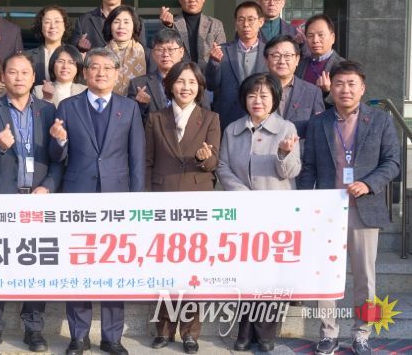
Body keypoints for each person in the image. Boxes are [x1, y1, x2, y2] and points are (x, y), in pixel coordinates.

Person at [299, 61, 399, 355]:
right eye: (339, 84)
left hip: (363, 209)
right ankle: (328, 333)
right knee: (325, 275)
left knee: (365, 278)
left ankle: (362, 333)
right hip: (327, 211)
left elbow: (392, 162)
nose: (345, 89)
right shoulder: (319, 122)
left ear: (362, 88)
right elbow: (309, 166)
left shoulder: (380, 120)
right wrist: (304, 203)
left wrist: (368, 183)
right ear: (331, 88)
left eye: (351, 84)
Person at [49, 47, 145, 355]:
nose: (101, 73)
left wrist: (136, 203)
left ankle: (111, 337)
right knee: (79, 266)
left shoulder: (129, 108)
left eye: (107, 68)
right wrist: (59, 141)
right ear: (85, 72)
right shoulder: (67, 106)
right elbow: (57, 157)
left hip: (117, 198)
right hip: (78, 197)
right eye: (95, 67)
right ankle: (78, 336)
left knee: (114, 268)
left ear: (117, 74)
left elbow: (137, 158)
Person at [0, 52, 63, 353]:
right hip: (1, 199)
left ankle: (34, 328)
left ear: (34, 78)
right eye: (12, 72)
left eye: (25, 72)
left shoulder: (48, 111)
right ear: (3, 77)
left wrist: (48, 185)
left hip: (38, 200)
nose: (19, 77)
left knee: (37, 264)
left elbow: (58, 160)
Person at [217, 72, 301, 353]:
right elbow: (223, 166)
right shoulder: (232, 130)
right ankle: (244, 330)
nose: (258, 100)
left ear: (275, 99)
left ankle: (265, 332)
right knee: (245, 272)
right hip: (243, 211)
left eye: (264, 95)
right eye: (252, 95)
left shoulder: (286, 128)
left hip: (276, 213)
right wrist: (242, 194)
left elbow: (292, 171)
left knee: (270, 273)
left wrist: (283, 153)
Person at [145, 61, 219, 353]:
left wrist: (204, 157)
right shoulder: (155, 118)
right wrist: (146, 199)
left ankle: (190, 332)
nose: (185, 87)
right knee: (164, 267)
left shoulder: (210, 118)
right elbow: (148, 161)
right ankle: (163, 329)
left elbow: (213, 163)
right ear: (170, 85)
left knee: (192, 269)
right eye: (180, 81)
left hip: (196, 201)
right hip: (161, 199)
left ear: (199, 87)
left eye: (191, 82)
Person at [206, 1, 268, 130]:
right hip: (228, 118)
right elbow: (211, 85)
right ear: (236, 23)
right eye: (241, 20)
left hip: (262, 118)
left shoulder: (270, 52)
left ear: (261, 22)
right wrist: (214, 63)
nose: (246, 24)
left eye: (251, 19)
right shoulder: (222, 51)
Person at [264, 34, 324, 143]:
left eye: (287, 56)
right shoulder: (254, 90)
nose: (282, 61)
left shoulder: (312, 93)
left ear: (297, 59)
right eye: (276, 56)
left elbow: (318, 132)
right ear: (266, 60)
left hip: (299, 152)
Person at [160, 0, 226, 69]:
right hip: (179, 75)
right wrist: (168, 26)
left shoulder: (215, 25)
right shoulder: (171, 24)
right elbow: (164, 49)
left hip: (208, 76)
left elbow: (222, 57)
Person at [71, 0, 145, 52]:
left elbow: (142, 50)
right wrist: (80, 47)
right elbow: (73, 52)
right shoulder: (84, 20)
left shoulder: (135, 20)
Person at [128, 28, 186, 123]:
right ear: (153, 53)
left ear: (181, 52)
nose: (165, 54)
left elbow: (204, 115)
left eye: (171, 49)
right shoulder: (138, 84)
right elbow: (131, 122)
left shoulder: (193, 81)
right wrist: (141, 105)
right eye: (160, 49)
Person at [295, 14, 345, 107]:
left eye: (321, 35)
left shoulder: (343, 66)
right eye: (310, 35)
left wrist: (328, 91)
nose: (315, 40)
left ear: (333, 38)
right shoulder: (299, 64)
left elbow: (349, 101)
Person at [104, 5, 147, 96]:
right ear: (110, 26)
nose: (121, 26)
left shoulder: (147, 54)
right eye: (116, 22)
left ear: (134, 26)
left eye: (126, 22)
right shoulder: (100, 55)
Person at [25, 4, 72, 84]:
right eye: (47, 22)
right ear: (41, 27)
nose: (52, 26)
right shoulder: (27, 57)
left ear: (64, 26)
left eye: (57, 21)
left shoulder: (74, 55)